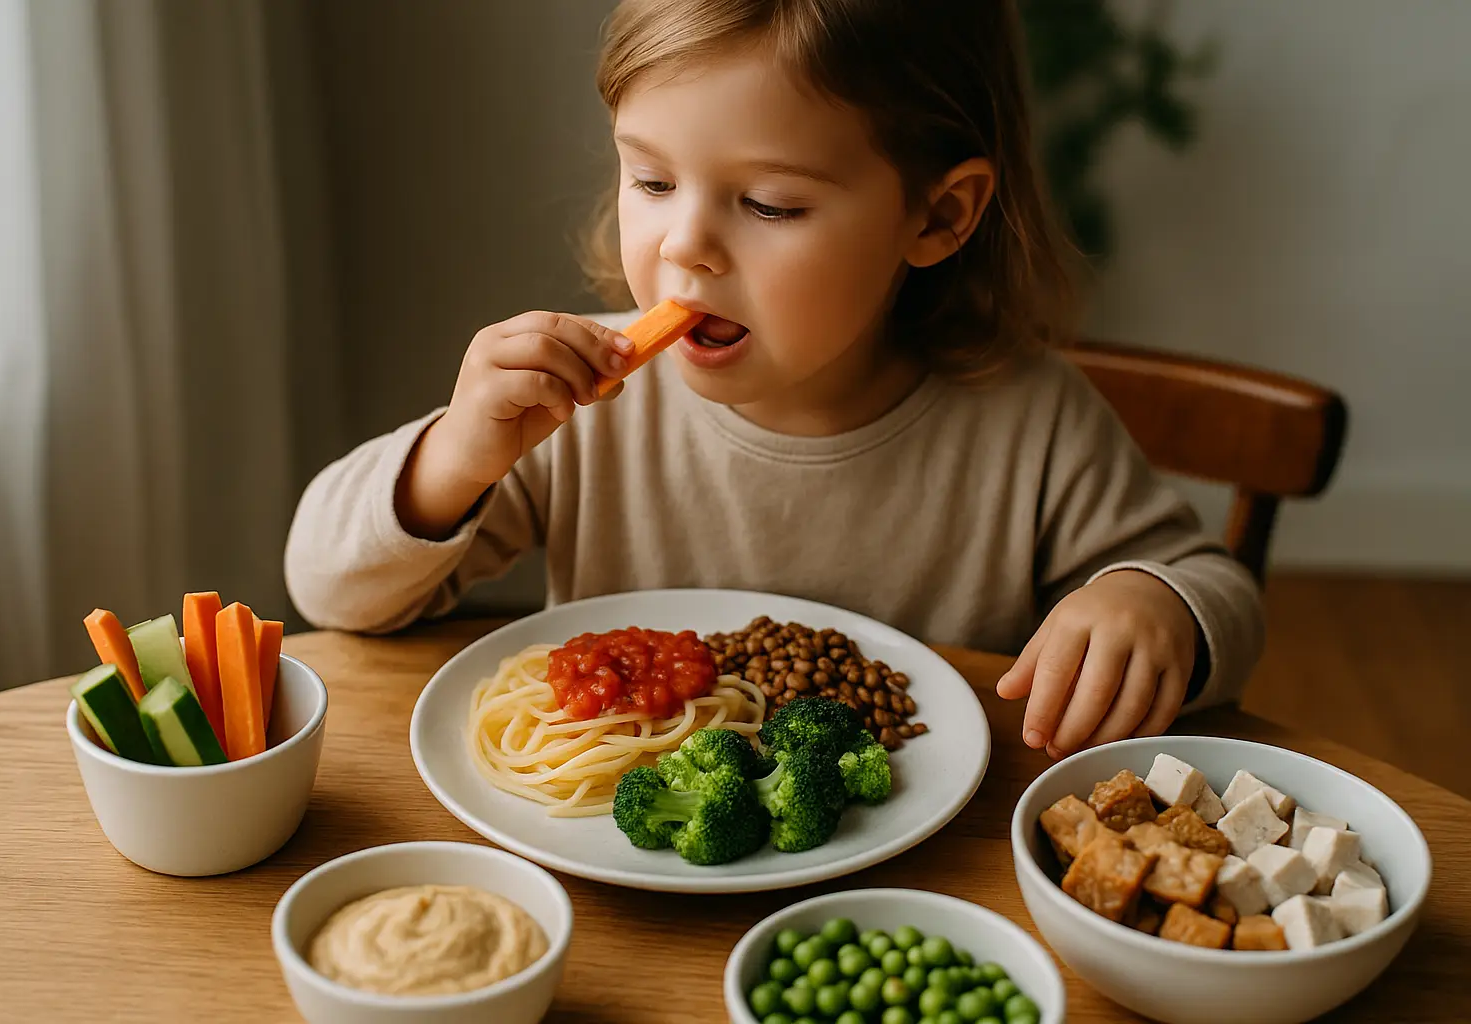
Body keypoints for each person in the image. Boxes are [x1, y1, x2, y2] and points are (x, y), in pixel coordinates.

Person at [285, 0, 1263, 759]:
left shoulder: (1029, 423)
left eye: (769, 203)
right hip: (608, 876)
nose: (686, 247)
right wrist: (454, 456)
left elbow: (1219, 591)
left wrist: (1155, 603)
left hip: (921, 884)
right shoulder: (589, 403)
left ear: (938, 218)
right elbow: (332, 592)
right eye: (652, 181)